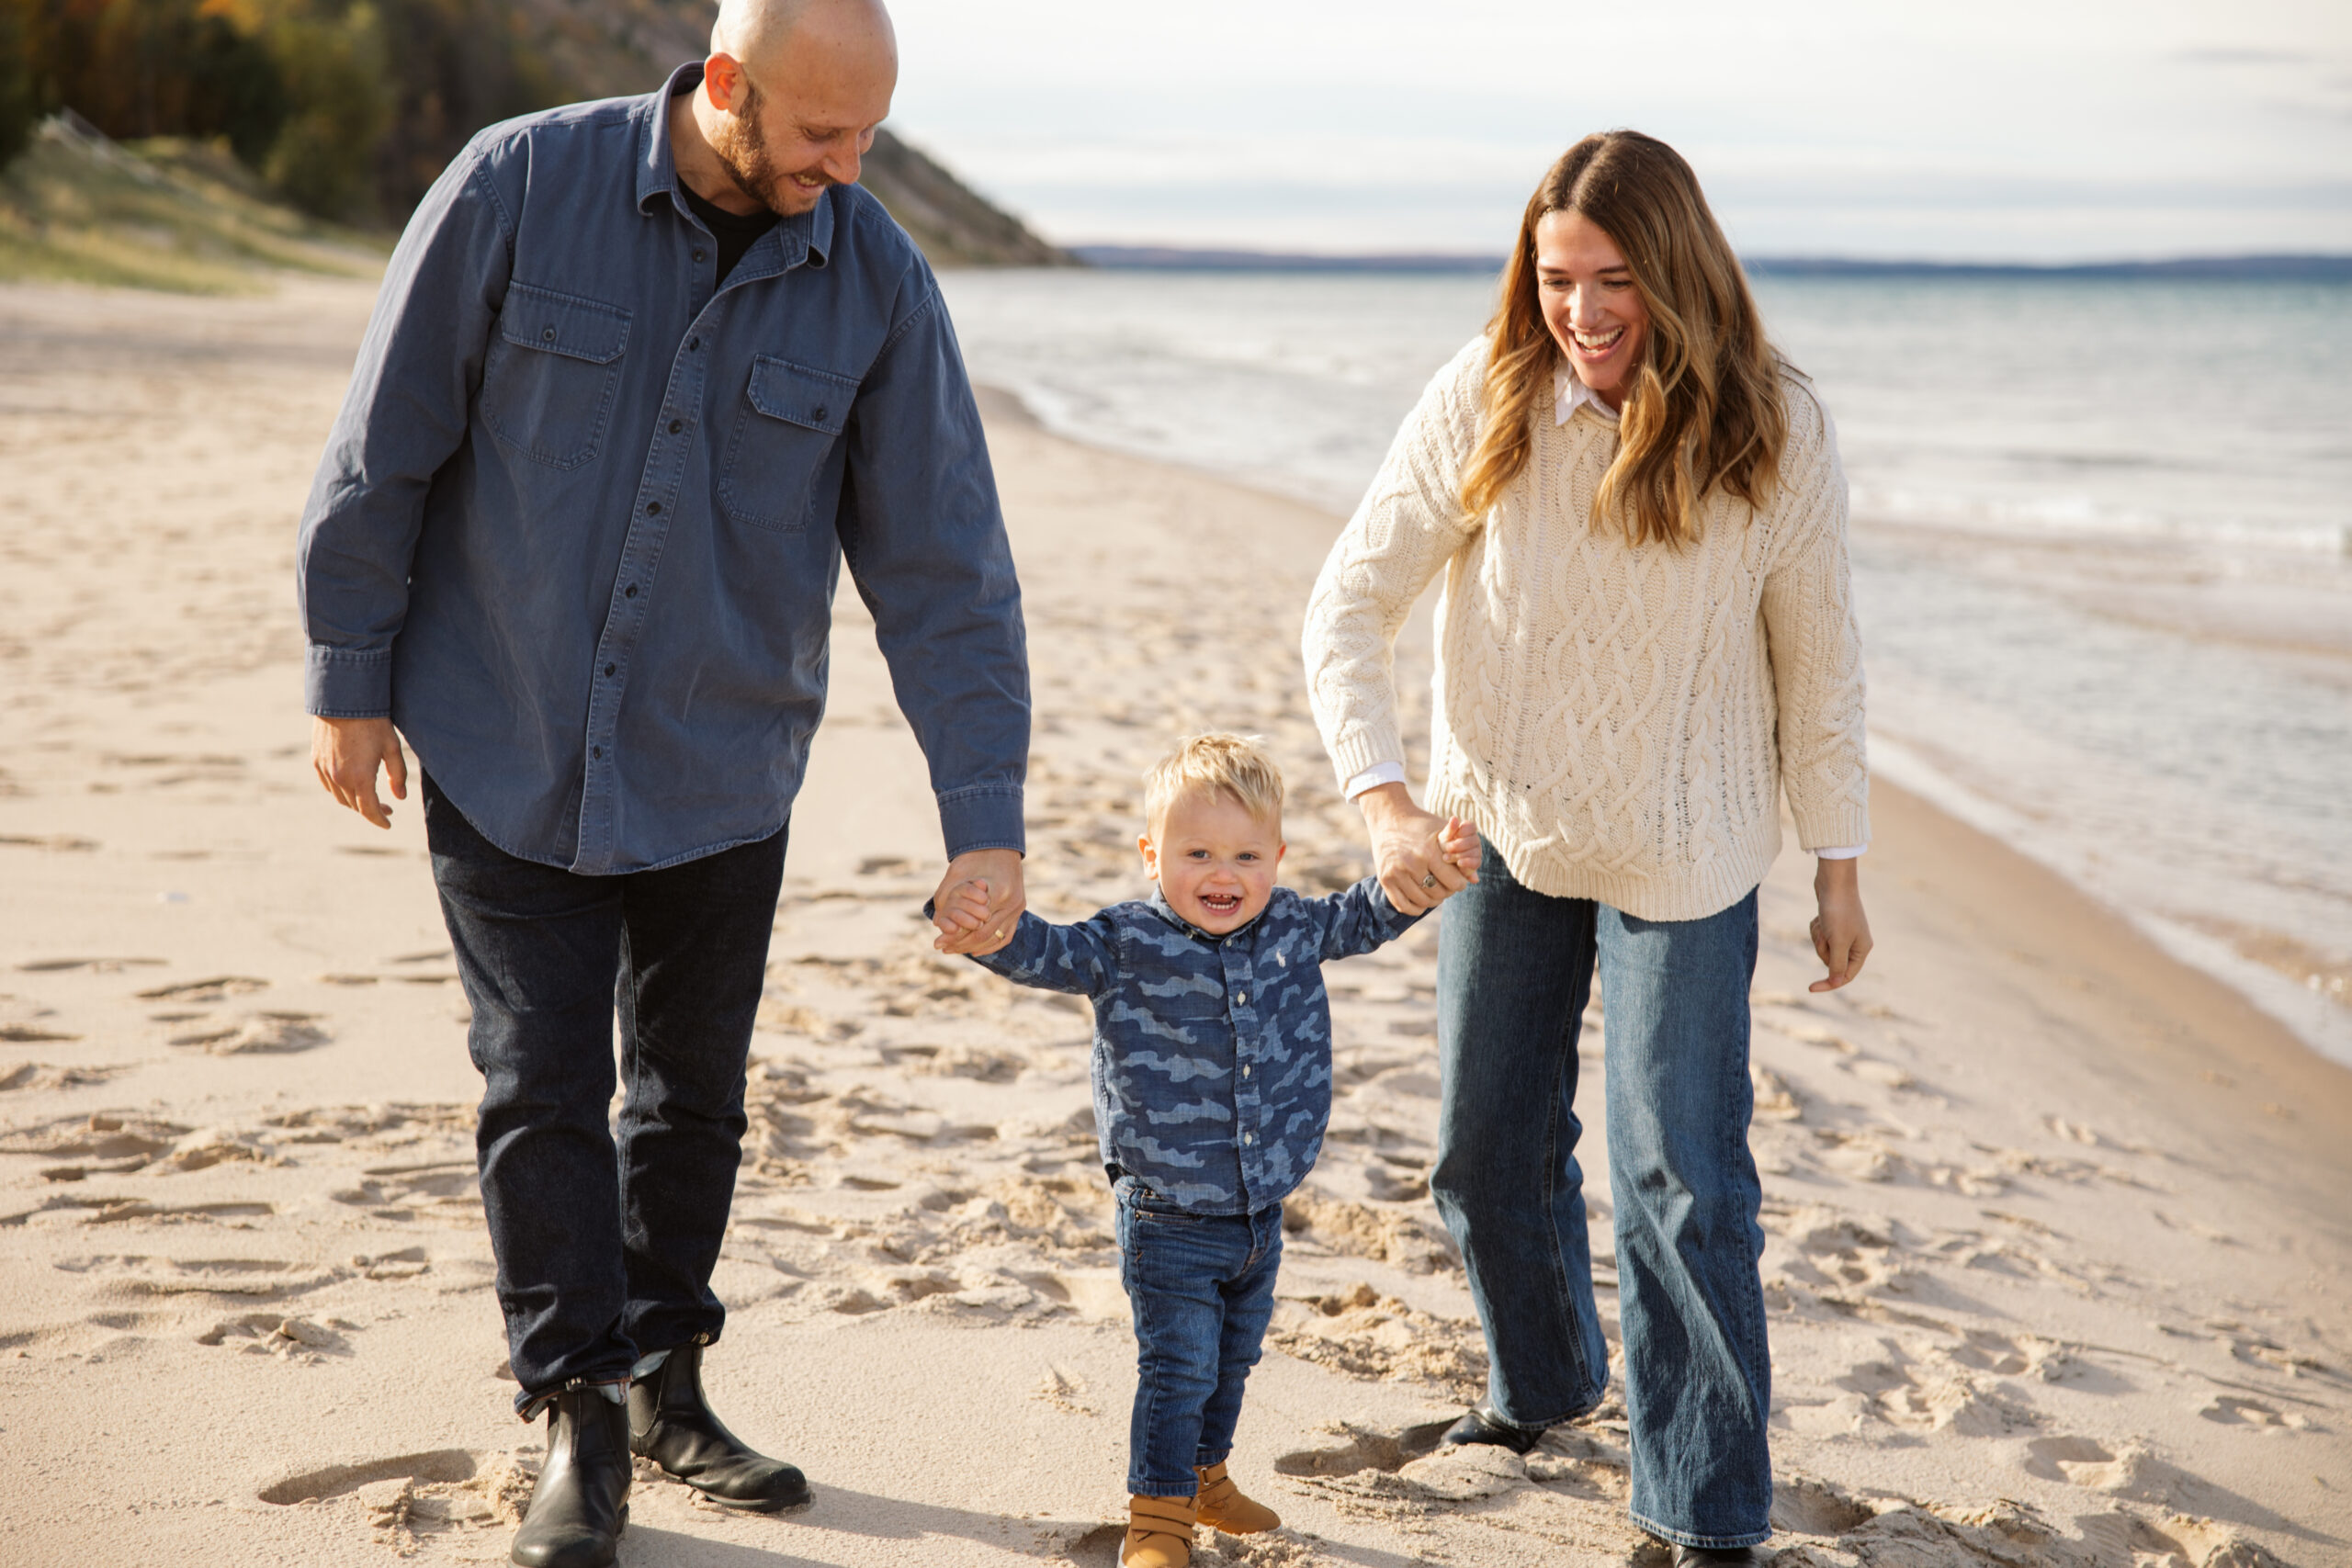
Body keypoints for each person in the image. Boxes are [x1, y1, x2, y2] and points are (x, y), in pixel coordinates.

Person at [295, 0, 1031, 1562]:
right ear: (721, 88)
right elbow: (384, 449)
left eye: (871, 136)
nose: (847, 168)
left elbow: (946, 568)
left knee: (692, 1092)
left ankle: (671, 1376)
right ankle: (577, 1411)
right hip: (509, 733)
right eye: (821, 135)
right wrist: (348, 681)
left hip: (723, 758)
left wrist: (986, 818)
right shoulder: (515, 187)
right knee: (539, 1077)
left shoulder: (876, 278)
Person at [1300, 130, 1873, 1565]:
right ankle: (1546, 1378)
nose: (1584, 309)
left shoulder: (1776, 429)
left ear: (1676, 271)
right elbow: (1348, 603)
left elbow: (1822, 666)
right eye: (1558, 276)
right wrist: (1384, 799)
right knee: (1482, 1150)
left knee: (1681, 1176)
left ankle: (1705, 1505)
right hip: (1498, 826)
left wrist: (1839, 862)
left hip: (1690, 847)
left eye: (1615, 277)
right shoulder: (1489, 392)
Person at [933, 735, 1477, 1568]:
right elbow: (1042, 950)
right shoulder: (1124, 941)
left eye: (1246, 854)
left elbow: (1369, 912)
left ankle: (1205, 1476)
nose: (1223, 874)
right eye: (1197, 853)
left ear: (1278, 857)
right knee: (1178, 1367)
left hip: (1261, 1206)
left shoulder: (1294, 924)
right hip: (1167, 1213)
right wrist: (981, 927)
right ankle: (1156, 1517)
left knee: (1234, 1358)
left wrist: (1429, 875)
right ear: (1153, 855)